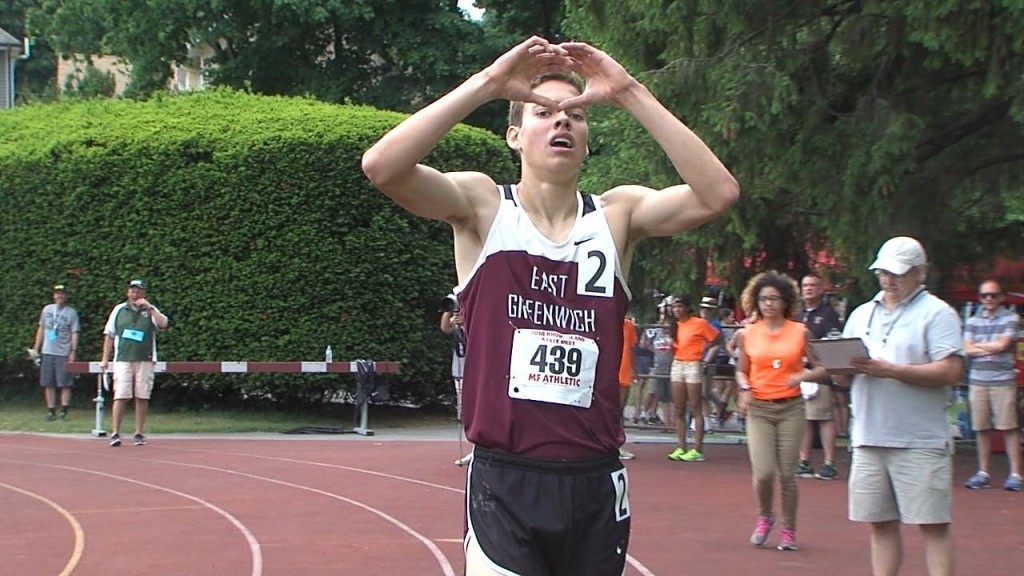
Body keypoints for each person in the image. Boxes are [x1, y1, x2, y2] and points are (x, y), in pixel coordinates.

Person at [361, 36, 739, 576]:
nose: (562, 120)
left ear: (586, 143)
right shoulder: (483, 206)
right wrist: (489, 84)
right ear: (514, 136)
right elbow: (382, 167)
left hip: (594, 479)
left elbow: (718, 194)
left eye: (576, 115)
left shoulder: (617, 215)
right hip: (505, 480)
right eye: (543, 112)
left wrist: (629, 92)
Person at [838, 236, 963, 576]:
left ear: (920, 272)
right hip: (868, 436)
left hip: (920, 439)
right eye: (883, 272)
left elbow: (951, 371)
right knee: (879, 523)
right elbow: (843, 374)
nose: (888, 280)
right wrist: (829, 366)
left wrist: (892, 371)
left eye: (898, 273)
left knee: (932, 525)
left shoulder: (938, 313)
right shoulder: (862, 313)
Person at [734, 272, 828, 552]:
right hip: (759, 408)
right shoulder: (748, 333)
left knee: (787, 474)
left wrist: (802, 376)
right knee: (763, 472)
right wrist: (745, 388)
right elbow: (741, 370)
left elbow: (822, 368)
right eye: (764, 299)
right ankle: (765, 516)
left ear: (785, 301)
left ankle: (789, 529)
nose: (769, 304)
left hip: (791, 408)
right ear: (756, 302)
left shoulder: (800, 331)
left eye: (774, 298)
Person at [962, 279, 1022, 491]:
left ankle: (1016, 474)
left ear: (1001, 297)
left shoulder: (1011, 318)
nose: (988, 299)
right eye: (984, 295)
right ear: (979, 298)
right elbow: (966, 349)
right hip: (978, 380)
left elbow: (1003, 345)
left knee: (1009, 427)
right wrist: (991, 346)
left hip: (1002, 380)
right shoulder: (972, 320)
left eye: (993, 295)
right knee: (981, 427)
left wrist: (978, 346)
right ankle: (983, 472)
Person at [99, 279, 170, 447]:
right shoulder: (118, 310)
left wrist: (150, 308)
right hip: (123, 358)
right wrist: (105, 358)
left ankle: (138, 433)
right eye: (132, 291)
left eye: (138, 291)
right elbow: (109, 335)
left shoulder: (150, 310)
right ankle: (115, 432)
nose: (135, 294)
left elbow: (163, 324)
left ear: (143, 293)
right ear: (128, 293)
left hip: (145, 359)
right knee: (121, 395)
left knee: (142, 395)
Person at [795, 273, 844, 480]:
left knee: (824, 417)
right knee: (804, 418)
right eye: (805, 285)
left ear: (821, 289)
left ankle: (829, 462)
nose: (808, 289)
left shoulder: (828, 314)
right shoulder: (797, 315)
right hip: (799, 373)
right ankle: (804, 460)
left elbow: (832, 342)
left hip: (820, 373)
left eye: (813, 285)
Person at [667, 294, 720, 462]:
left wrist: (703, 350)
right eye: (674, 307)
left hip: (693, 364)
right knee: (679, 408)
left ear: (687, 308)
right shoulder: (674, 325)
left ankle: (697, 448)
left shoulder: (699, 323)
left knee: (696, 406)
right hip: (678, 363)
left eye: (680, 306)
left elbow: (716, 337)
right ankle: (681, 446)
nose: (677, 310)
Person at [30, 284, 81, 421]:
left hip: (63, 352)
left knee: (65, 383)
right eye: (57, 293)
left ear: (66, 296)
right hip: (48, 350)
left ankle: (64, 411)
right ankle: (51, 410)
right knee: (48, 382)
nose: (60, 296)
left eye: (62, 294)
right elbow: (41, 328)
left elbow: (74, 332)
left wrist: (73, 351)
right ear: (54, 295)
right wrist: (36, 348)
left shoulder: (71, 312)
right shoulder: (47, 309)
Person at [440, 294, 474, 466]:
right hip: (459, 369)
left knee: (477, 409)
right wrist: (449, 311)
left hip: (475, 368)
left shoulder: (474, 310)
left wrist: (466, 321)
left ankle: (478, 448)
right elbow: (445, 328)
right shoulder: (456, 316)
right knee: (465, 410)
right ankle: (473, 447)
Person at [618, 317, 638, 459]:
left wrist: (634, 370)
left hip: (623, 372)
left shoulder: (628, 325)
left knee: (618, 411)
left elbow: (630, 349)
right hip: (605, 373)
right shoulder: (603, 319)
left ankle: (618, 445)